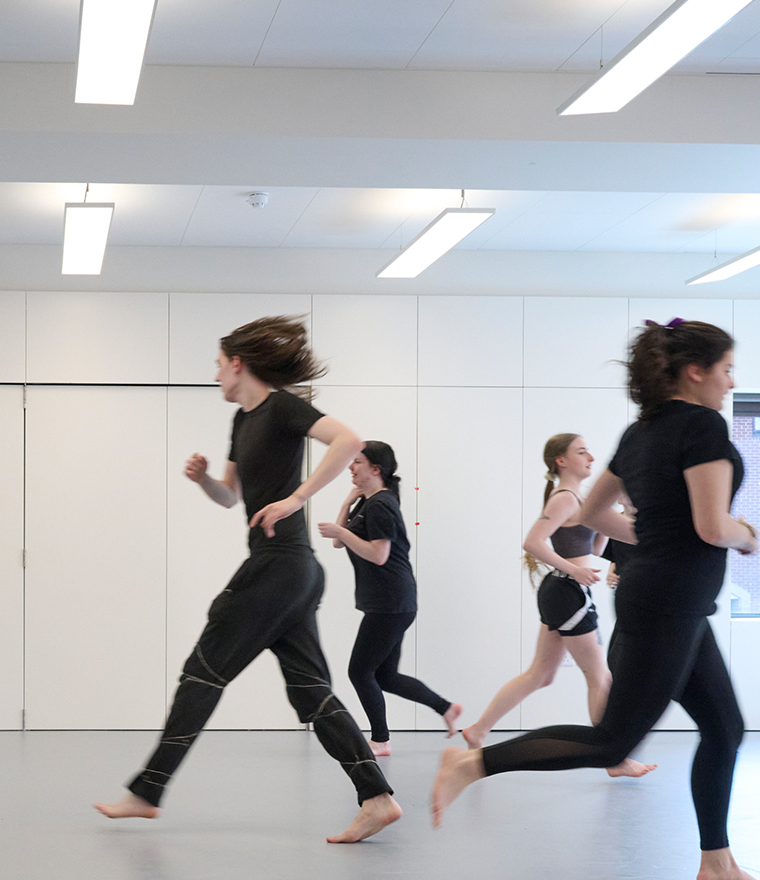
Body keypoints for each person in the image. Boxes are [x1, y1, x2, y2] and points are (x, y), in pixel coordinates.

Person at [434, 319, 760, 880]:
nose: (731, 382)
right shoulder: (703, 427)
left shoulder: (642, 431)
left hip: (668, 598)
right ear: (695, 371)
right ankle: (473, 764)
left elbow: (591, 514)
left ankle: (717, 861)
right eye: (727, 369)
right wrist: (748, 536)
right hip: (671, 601)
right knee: (613, 741)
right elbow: (713, 528)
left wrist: (653, 537)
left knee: (724, 727)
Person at [95, 316, 401, 844]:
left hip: (280, 566)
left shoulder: (282, 407)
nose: (215, 375)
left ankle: (147, 792)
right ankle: (377, 798)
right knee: (310, 692)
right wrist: (204, 480)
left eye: (218, 365)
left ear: (238, 364)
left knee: (203, 672)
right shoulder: (241, 421)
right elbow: (231, 496)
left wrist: (297, 498)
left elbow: (347, 440)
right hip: (289, 572)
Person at [457, 433, 650, 781]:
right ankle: (613, 758)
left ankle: (478, 729)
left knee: (541, 675)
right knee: (600, 676)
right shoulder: (564, 498)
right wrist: (574, 570)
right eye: (581, 452)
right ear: (561, 461)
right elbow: (532, 542)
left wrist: (605, 515)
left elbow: (596, 547)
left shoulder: (579, 499)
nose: (591, 457)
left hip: (563, 591)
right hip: (567, 591)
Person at [316, 441, 460, 757]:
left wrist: (341, 532)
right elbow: (339, 543)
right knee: (385, 676)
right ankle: (446, 708)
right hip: (390, 602)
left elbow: (379, 555)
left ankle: (380, 740)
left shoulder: (381, 504)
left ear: (376, 469)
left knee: (360, 672)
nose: (351, 467)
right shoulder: (369, 503)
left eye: (357, 462)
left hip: (391, 602)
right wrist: (346, 504)